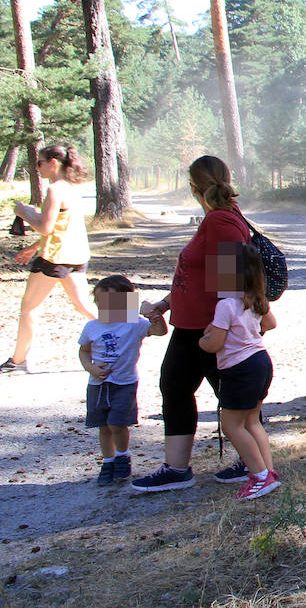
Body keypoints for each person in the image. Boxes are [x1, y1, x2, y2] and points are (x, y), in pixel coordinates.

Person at [132, 155, 252, 492]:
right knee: (176, 386)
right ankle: (177, 468)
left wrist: (222, 328)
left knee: (232, 393)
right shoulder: (216, 220)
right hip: (191, 325)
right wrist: (166, 304)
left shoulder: (221, 223)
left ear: (193, 187)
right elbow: (198, 277)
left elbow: (231, 282)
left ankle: (251, 462)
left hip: (208, 328)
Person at [2, 145, 98, 374]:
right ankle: (129, 325)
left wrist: (24, 212)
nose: (38, 168)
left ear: (53, 163)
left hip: (56, 258)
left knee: (30, 307)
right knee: (82, 304)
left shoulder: (55, 190)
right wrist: (33, 248)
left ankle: (17, 361)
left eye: (40, 163)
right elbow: (59, 227)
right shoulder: (72, 188)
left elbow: (45, 227)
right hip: (72, 254)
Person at [198, 242, 280, 500]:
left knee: (231, 426)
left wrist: (203, 340)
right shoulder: (255, 299)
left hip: (239, 369)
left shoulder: (226, 305)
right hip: (260, 361)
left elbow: (214, 344)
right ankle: (268, 472)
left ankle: (258, 476)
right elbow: (271, 323)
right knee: (252, 421)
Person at [78, 275, 167, 485]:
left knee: (117, 424)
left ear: (126, 302)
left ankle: (122, 456)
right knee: (103, 425)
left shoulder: (134, 324)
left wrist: (155, 316)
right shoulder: (92, 326)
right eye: (101, 304)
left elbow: (160, 331)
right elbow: (84, 351)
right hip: (98, 385)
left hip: (125, 383)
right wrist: (91, 368)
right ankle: (108, 461)